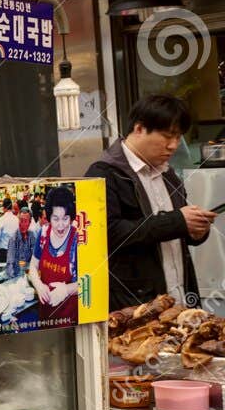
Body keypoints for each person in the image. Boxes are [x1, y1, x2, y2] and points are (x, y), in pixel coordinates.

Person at [88, 94, 217, 309]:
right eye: (167, 136)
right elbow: (106, 235)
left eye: (178, 138)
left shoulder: (168, 174)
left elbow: (177, 229)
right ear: (139, 129)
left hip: (181, 299)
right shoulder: (103, 173)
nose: (173, 146)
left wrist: (196, 230)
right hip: (136, 308)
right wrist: (177, 221)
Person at [29, 185, 82, 328]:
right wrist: (39, 285)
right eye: (55, 218)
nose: (60, 226)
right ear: (48, 216)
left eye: (65, 219)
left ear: (71, 217)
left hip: (69, 319)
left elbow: (90, 282)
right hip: (45, 315)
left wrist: (66, 290)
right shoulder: (43, 234)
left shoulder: (79, 239)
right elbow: (33, 267)